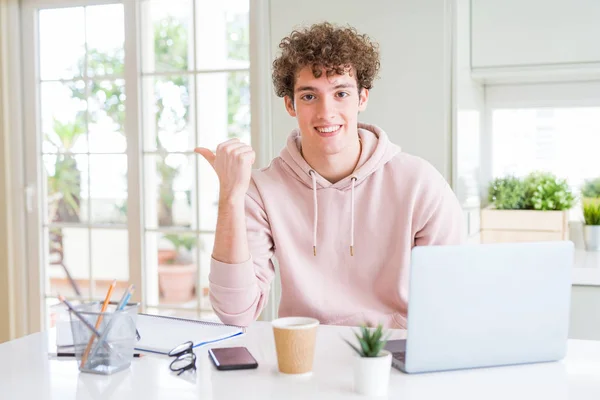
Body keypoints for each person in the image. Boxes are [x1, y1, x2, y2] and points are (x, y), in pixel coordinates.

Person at [195, 22, 465, 328]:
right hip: (303, 356)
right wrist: (231, 197)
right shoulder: (263, 190)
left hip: (392, 357)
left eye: (340, 93)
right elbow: (235, 313)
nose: (326, 112)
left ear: (362, 98)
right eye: (309, 96)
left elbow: (450, 301)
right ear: (290, 104)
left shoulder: (420, 184)